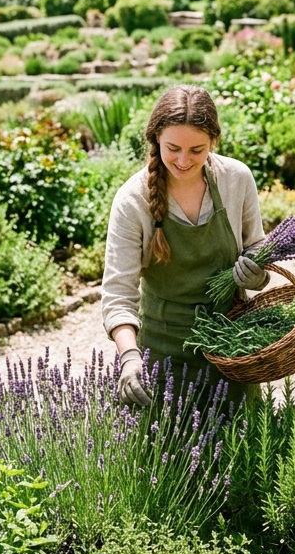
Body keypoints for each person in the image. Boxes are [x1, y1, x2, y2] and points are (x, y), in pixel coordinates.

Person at [101, 85, 268, 406]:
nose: (182, 160)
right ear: (155, 140)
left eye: (197, 150)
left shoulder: (236, 179)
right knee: (166, 453)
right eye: (173, 147)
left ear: (214, 143)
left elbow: (257, 249)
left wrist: (255, 273)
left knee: (241, 449)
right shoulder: (133, 199)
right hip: (164, 352)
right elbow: (118, 296)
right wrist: (130, 358)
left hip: (230, 344)